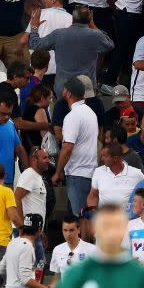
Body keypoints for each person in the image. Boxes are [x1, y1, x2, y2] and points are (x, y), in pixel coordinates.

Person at [55, 204, 144, 288]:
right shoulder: (75, 274)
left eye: (116, 226)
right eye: (106, 226)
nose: (111, 232)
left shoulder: (141, 274)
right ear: (94, 228)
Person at [29, 6, 114, 98]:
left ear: (73, 19)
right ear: (90, 19)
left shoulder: (59, 34)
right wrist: (93, 25)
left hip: (64, 89)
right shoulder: (95, 36)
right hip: (86, 90)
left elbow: (35, 44)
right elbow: (110, 45)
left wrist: (34, 27)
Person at [51, 77, 98, 215]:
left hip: (78, 173)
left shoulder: (73, 116)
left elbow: (67, 148)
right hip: (89, 172)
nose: (62, 91)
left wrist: (58, 172)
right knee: (80, 216)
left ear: (69, 93)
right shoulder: (90, 112)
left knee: (81, 218)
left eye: (64, 88)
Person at [87, 142, 144, 214]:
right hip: (104, 220)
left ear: (115, 158)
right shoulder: (98, 172)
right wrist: (92, 212)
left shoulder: (136, 174)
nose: (102, 159)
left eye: (105, 156)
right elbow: (93, 195)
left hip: (129, 221)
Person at [0, 213, 46, 288]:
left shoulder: (12, 243)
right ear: (40, 229)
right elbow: (25, 279)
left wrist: (12, 279)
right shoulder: (27, 246)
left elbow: (1, 269)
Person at [46, 215, 94, 280]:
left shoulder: (92, 249)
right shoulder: (57, 250)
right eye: (65, 230)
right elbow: (56, 278)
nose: (68, 234)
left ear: (79, 230)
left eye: (71, 230)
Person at [15, 146, 50, 222]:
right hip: (27, 230)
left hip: (35, 230)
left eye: (48, 157)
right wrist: (21, 225)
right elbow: (16, 198)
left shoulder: (37, 176)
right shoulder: (29, 174)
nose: (48, 160)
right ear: (34, 160)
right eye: (44, 158)